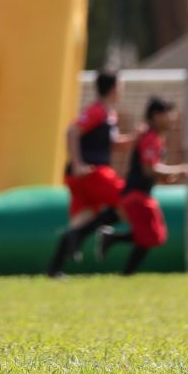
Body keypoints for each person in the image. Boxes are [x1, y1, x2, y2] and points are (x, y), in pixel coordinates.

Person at [47, 70, 134, 277]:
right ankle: (103, 238)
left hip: (83, 176)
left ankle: (54, 269)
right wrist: (78, 163)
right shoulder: (96, 111)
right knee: (128, 200)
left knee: (82, 221)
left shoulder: (108, 114)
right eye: (120, 86)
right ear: (114, 88)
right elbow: (72, 131)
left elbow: (113, 144)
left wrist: (135, 138)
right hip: (90, 173)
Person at [95, 98, 188, 275]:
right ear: (155, 116)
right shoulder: (150, 138)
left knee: (155, 236)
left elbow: (151, 170)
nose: (172, 118)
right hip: (136, 196)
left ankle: (113, 239)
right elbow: (149, 169)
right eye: (168, 114)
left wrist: (166, 177)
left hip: (140, 195)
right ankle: (125, 271)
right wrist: (180, 169)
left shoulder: (156, 138)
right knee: (151, 236)